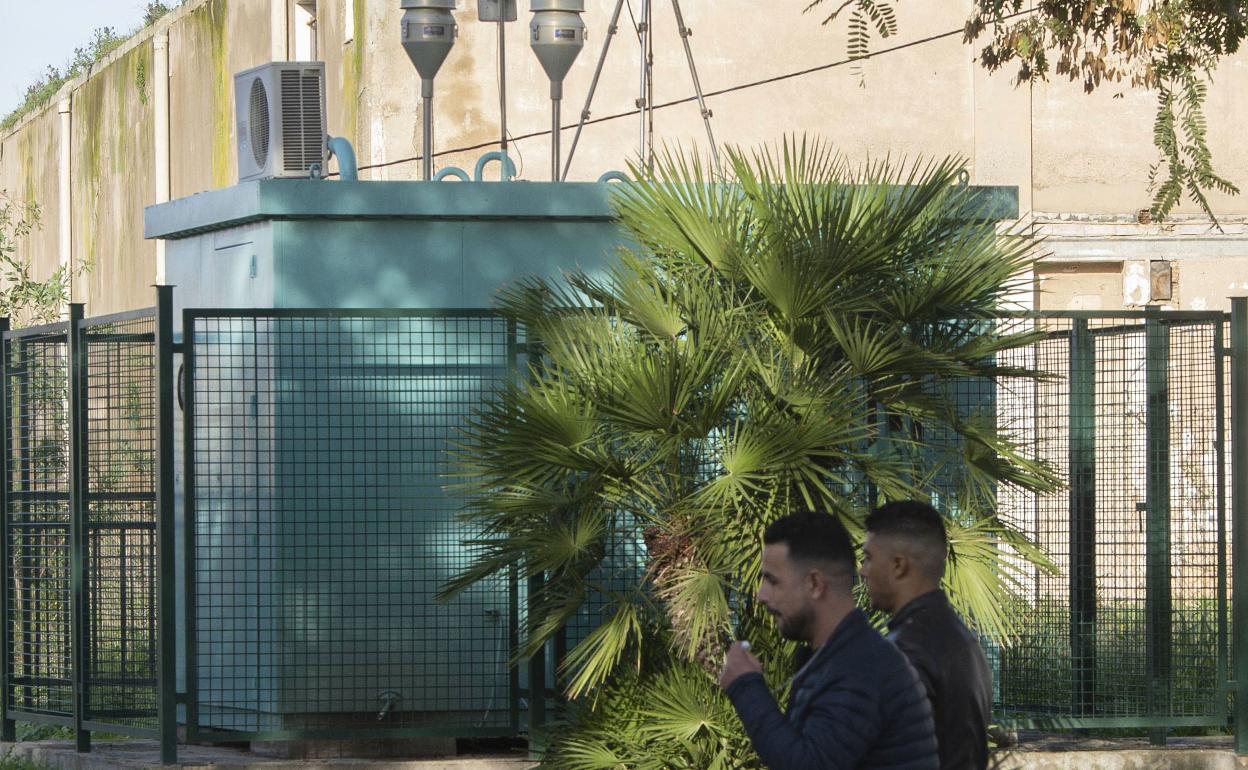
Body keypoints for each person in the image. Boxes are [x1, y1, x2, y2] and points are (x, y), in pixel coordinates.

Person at [718, 510, 939, 770]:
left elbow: (809, 764)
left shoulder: (859, 668)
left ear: (815, 584)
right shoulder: (842, 658)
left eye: (773, 581)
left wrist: (745, 686)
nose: (761, 595)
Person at [859, 500, 993, 770]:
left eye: (869, 558)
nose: (862, 570)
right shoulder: (962, 639)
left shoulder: (906, 651)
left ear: (898, 565)